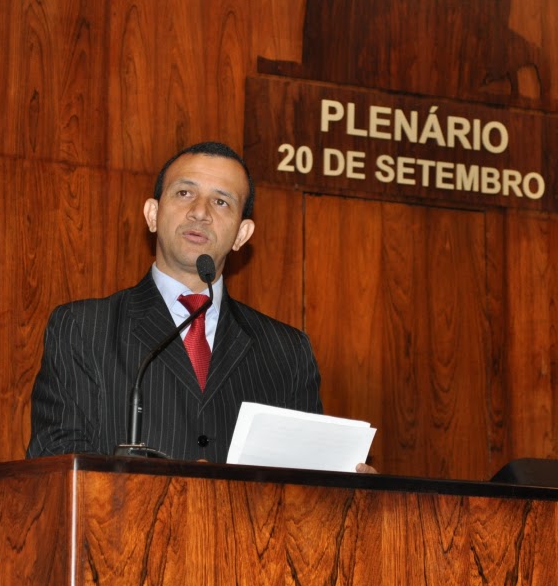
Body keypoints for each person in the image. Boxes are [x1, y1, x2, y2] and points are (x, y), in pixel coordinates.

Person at [27, 141, 373, 472]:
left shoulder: (287, 351)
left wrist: (345, 490)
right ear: (152, 214)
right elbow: (57, 464)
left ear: (241, 234)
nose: (200, 212)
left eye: (221, 202)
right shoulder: (84, 328)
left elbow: (305, 482)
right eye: (184, 193)